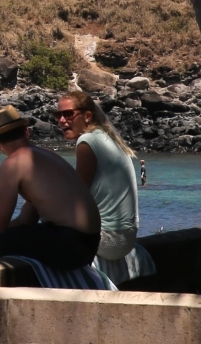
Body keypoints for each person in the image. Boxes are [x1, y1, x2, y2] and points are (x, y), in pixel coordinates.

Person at [0, 106, 111, 288]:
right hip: (89, 244)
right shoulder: (46, 156)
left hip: (68, 244)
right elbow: (26, 220)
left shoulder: (13, 164)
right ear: (26, 131)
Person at [58, 89, 156, 285]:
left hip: (108, 240)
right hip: (126, 238)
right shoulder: (106, 137)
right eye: (57, 115)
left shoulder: (87, 141)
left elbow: (77, 196)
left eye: (68, 114)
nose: (61, 120)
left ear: (87, 116)